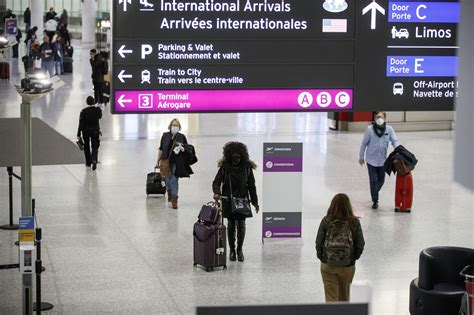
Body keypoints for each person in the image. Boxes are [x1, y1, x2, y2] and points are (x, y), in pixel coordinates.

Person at [212, 141, 259, 262]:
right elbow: (216, 182)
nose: (236, 158)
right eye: (234, 155)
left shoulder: (247, 168)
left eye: (238, 155)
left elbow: (252, 186)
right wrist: (217, 192)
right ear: (229, 155)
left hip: (242, 200)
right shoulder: (224, 168)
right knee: (231, 225)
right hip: (228, 200)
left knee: (242, 226)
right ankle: (232, 250)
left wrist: (255, 202)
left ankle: (240, 249)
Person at [315, 193, 365, 302]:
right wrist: (353, 258)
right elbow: (360, 244)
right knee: (344, 298)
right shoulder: (354, 222)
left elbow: (319, 242)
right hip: (347, 266)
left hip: (328, 265)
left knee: (331, 299)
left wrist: (322, 258)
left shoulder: (326, 221)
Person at [359, 111, 398, 209]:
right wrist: (361, 157)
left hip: (382, 160)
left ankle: (374, 192)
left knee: (381, 180)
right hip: (371, 160)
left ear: (384, 118)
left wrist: (398, 150)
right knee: (373, 180)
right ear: (374, 118)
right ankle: (375, 200)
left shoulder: (389, 129)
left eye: (381, 117)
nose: (379, 119)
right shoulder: (369, 129)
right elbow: (364, 144)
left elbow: (394, 141)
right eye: (377, 117)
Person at [155, 119, 193, 209]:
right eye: (173, 125)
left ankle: (174, 199)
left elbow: (187, 148)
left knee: (174, 180)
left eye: (177, 125)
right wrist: (157, 160)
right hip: (165, 161)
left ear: (179, 127)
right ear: (170, 126)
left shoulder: (181, 137)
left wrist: (183, 149)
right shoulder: (165, 136)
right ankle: (169, 191)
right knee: (167, 180)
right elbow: (161, 149)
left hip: (177, 162)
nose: (175, 127)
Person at [77, 96, 102, 171]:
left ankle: (88, 162)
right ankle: (94, 159)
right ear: (94, 101)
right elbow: (100, 117)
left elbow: (80, 123)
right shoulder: (98, 110)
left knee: (86, 146)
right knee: (95, 146)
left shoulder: (83, 111)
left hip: (86, 131)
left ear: (87, 102)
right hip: (95, 131)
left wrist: (78, 133)